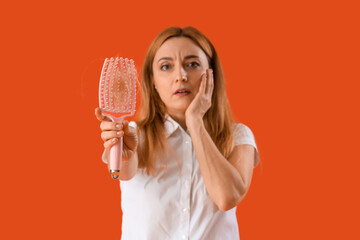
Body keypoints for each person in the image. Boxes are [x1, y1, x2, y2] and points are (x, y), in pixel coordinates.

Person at [95, 26, 260, 240]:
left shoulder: (238, 136)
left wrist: (195, 121)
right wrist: (124, 156)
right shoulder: (134, 134)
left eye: (192, 64)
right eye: (166, 67)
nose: (181, 76)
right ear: (152, 81)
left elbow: (227, 197)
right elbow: (124, 171)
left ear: (211, 73)